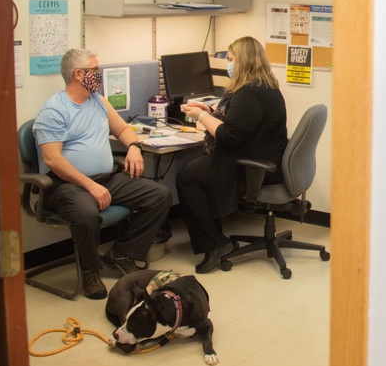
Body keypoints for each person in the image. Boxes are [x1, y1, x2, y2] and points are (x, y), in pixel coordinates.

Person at [33, 48, 171, 299]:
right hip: (65, 184)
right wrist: (90, 185)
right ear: (78, 74)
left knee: (159, 195)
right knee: (86, 213)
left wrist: (134, 148)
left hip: (106, 178)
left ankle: (122, 252)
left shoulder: (98, 100)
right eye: (95, 70)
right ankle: (90, 271)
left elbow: (124, 130)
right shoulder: (54, 110)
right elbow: (52, 159)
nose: (100, 74)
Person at [176, 36, 288, 273]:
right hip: (264, 159)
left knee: (188, 176)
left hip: (254, 167)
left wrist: (201, 117)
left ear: (243, 61)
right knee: (195, 172)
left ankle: (216, 244)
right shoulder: (264, 85)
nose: (228, 63)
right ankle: (214, 237)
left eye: (231, 59)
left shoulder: (249, 93)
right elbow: (239, 121)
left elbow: (228, 136)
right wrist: (210, 111)